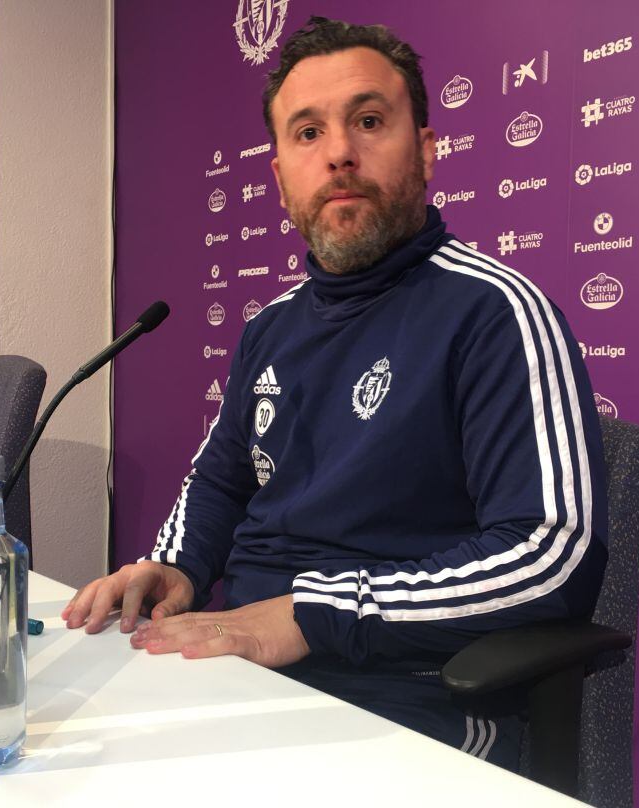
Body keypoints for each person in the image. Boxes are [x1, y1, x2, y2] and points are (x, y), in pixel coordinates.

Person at [63, 16, 607, 769]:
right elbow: (219, 479)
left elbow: (551, 555)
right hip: (242, 675)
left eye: (370, 121)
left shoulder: (496, 313)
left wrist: (312, 616)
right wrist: (176, 568)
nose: (340, 153)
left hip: (411, 697)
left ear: (425, 149)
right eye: (307, 133)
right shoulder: (270, 328)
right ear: (282, 175)